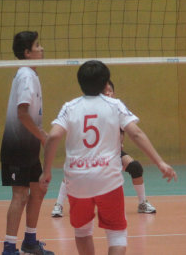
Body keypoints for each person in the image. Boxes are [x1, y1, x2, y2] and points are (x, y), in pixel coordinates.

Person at [39, 60, 177, 255]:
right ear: (106, 84)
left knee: (83, 232)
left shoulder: (69, 107)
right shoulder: (115, 105)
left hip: (77, 181)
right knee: (117, 234)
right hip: (108, 180)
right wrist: (160, 162)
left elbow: (53, 137)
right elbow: (136, 134)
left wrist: (46, 171)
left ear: (80, 82)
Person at [51, 80, 156, 218]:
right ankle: (58, 205)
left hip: (111, 153)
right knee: (73, 172)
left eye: (110, 91)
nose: (108, 93)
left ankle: (142, 203)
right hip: (89, 152)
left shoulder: (118, 109)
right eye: (105, 91)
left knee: (135, 167)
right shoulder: (92, 111)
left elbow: (129, 132)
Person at [0, 31, 54, 255]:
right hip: (17, 146)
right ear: (27, 52)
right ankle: (9, 248)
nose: (41, 49)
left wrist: (38, 138)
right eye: (37, 45)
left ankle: (30, 241)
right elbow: (22, 112)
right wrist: (42, 135)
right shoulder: (25, 75)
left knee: (38, 190)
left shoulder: (31, 74)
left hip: (29, 146)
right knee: (20, 195)